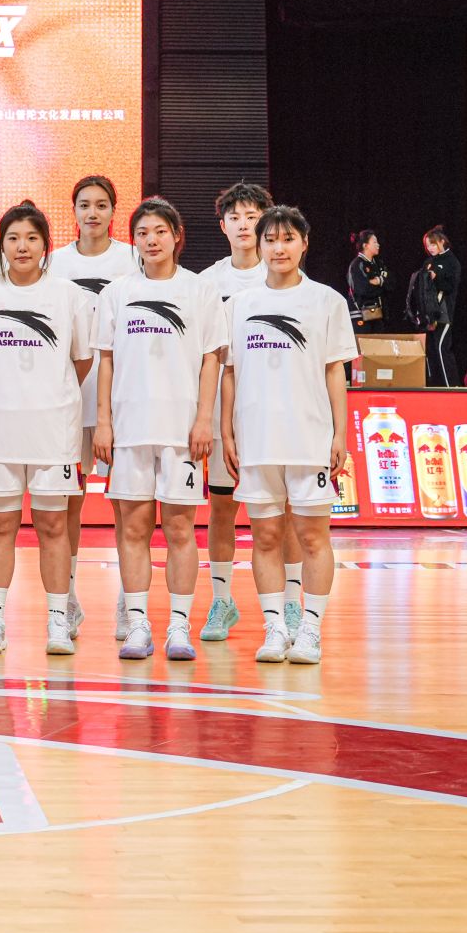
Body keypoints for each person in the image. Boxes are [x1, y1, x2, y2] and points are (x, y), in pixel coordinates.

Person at [0, 200, 95, 655]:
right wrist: (0, 393)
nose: (22, 246)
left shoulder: (69, 296)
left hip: (54, 434)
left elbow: (81, 360)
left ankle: (58, 620)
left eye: (32, 238)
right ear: (1, 245)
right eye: (13, 238)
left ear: (45, 245)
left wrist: (48, 395)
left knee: (53, 526)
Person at [93, 197, 227, 662]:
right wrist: (104, 422)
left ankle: (179, 627)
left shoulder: (200, 291)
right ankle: (137, 624)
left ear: (176, 236)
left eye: (160, 231)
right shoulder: (116, 293)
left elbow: (212, 360)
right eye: (142, 232)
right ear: (133, 239)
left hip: (182, 431)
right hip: (129, 429)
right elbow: (106, 361)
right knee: (132, 528)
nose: (151, 240)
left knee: (179, 529)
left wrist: (204, 419)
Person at [220, 205, 353, 666]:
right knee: (265, 537)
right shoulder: (239, 305)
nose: (279, 248)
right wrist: (227, 432)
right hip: (256, 439)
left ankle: (310, 630)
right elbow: (229, 373)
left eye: (288, 239)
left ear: (304, 243)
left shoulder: (327, 301)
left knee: (313, 537)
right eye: (271, 239)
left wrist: (339, 433)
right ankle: (275, 629)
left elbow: (335, 371)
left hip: (308, 437)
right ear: (259, 246)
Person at [48, 173, 137, 641]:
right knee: (69, 504)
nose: (93, 212)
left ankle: (128, 601)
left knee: (125, 505)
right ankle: (65, 601)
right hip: (66, 399)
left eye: (101, 204)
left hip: (120, 400)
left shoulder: (133, 259)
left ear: (113, 211)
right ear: (74, 211)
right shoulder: (55, 263)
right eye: (85, 204)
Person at [198, 182, 274, 643]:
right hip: (221, 413)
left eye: (252, 215)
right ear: (222, 226)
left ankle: (286, 607)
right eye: (235, 217)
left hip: (272, 411)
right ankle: (222, 600)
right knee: (222, 508)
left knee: (277, 515)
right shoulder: (207, 282)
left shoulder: (281, 275)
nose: (244, 224)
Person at [409, 226, 461, 386]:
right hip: (428, 313)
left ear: (442, 241)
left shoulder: (451, 261)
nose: (430, 248)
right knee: (430, 350)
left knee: (441, 348)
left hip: (443, 312)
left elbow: (451, 286)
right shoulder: (429, 262)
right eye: (428, 245)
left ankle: (451, 386)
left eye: (433, 244)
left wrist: (435, 278)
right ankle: (435, 385)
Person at [346, 230, 388, 333]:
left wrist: (377, 281)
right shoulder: (357, 264)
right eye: (374, 242)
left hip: (376, 314)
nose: (378, 245)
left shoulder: (378, 264)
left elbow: (390, 282)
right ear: (365, 245)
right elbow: (362, 289)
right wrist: (379, 283)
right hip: (360, 315)